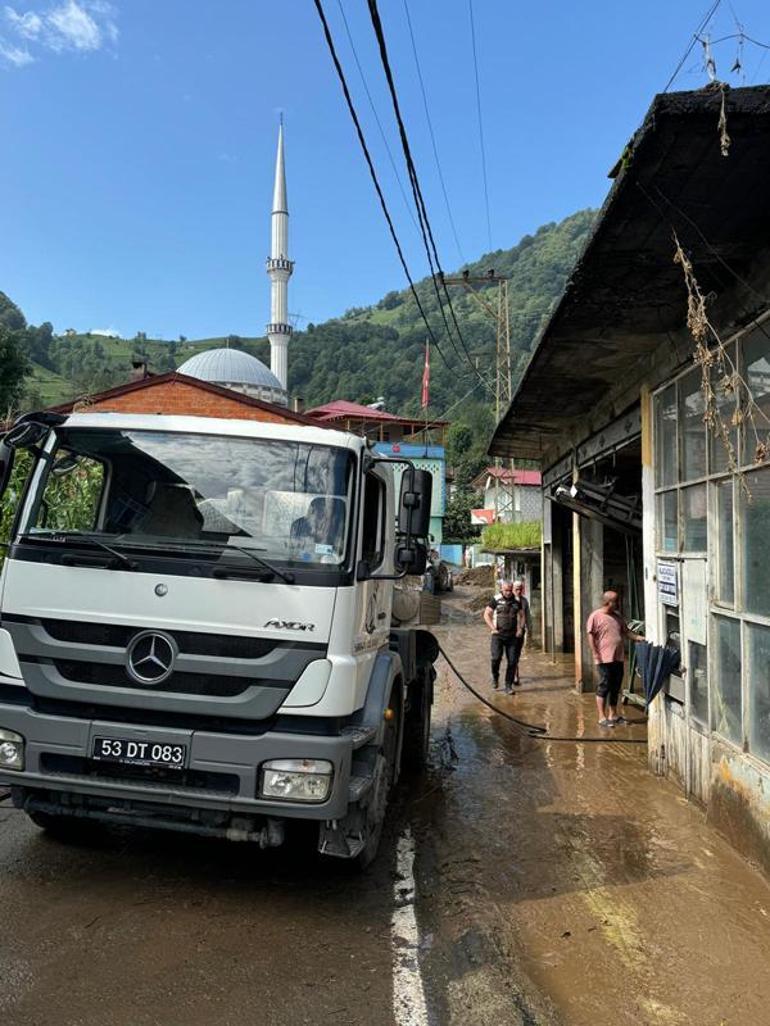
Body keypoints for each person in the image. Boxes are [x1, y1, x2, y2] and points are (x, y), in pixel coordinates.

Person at [586, 590, 644, 727]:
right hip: (604, 658)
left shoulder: (617, 616)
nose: (618, 603)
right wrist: (595, 654)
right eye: (616, 601)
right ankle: (602, 717)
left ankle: (613, 715)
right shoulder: (595, 616)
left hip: (618, 657)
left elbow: (626, 632)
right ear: (607, 602)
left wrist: (640, 638)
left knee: (616, 686)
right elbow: (590, 636)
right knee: (604, 685)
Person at [484, 580, 526, 694]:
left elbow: (522, 615)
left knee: (513, 661)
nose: (508, 592)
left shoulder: (517, 601)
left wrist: (520, 628)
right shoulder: (496, 599)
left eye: (509, 590)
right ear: (501, 589)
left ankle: (508, 685)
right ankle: (495, 676)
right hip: (498, 635)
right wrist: (493, 628)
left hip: (512, 637)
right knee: (496, 658)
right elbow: (486, 614)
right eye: (506, 590)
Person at [290, 497, 344, 561]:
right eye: (321, 515)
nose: (324, 520)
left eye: (326, 516)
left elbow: (338, 550)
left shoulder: (336, 531)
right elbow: (294, 553)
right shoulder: (298, 526)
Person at [511, 579, 532, 686]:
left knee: (517, 654)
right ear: (512, 589)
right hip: (510, 632)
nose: (518, 591)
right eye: (516, 589)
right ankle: (515, 675)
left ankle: (514, 672)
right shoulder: (508, 600)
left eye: (520, 589)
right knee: (513, 654)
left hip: (520, 632)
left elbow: (527, 616)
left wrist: (530, 630)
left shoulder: (524, 601)